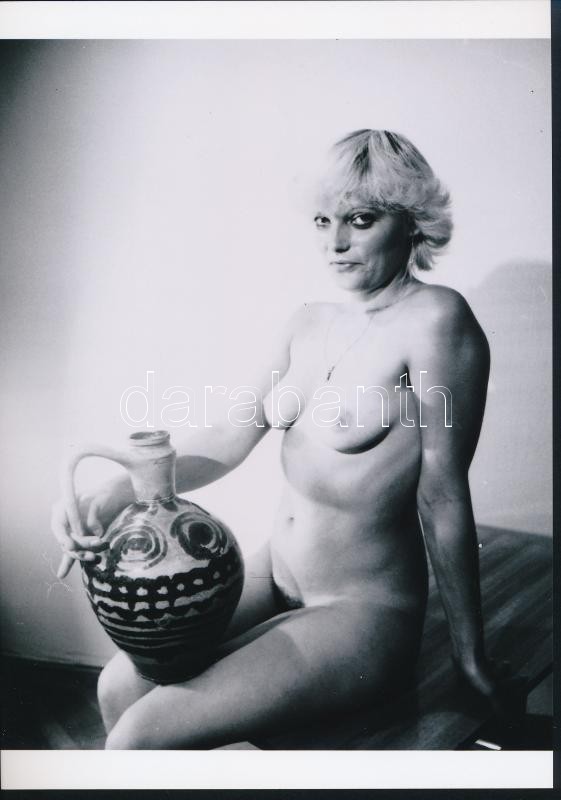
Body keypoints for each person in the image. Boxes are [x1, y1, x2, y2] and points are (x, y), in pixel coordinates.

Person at [52, 129, 499, 750]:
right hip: (272, 579)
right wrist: (107, 494)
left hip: (359, 609)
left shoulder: (436, 320)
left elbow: (442, 495)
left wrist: (469, 654)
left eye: (360, 220)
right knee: (117, 688)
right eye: (323, 221)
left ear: (411, 222)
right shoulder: (309, 321)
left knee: (141, 736)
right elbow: (230, 434)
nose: (335, 243)